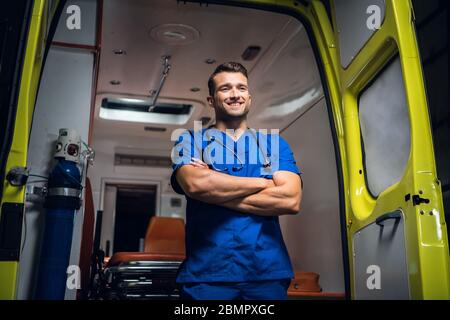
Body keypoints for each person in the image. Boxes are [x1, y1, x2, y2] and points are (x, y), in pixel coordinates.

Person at [170, 62, 302, 300]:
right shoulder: (188, 141)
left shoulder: (273, 144)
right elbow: (195, 185)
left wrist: (214, 190)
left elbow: (290, 199)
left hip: (266, 274)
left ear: (249, 98)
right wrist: (265, 183)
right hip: (206, 275)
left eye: (241, 88)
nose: (234, 95)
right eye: (225, 88)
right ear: (211, 100)